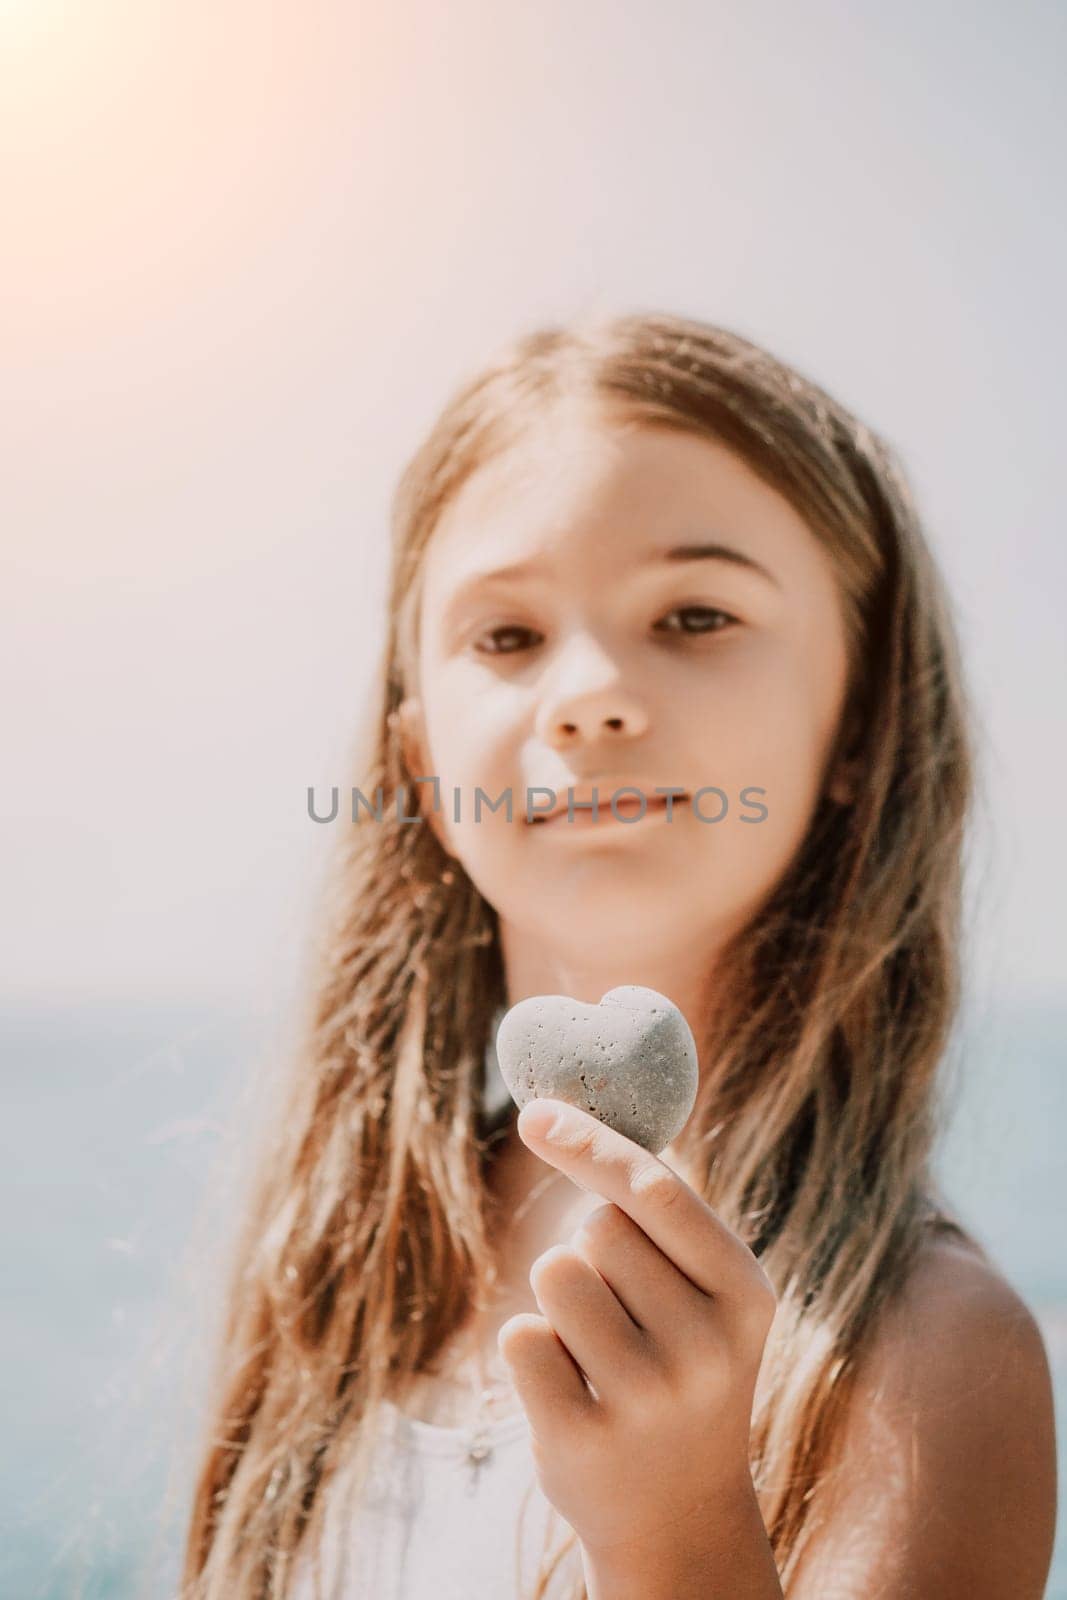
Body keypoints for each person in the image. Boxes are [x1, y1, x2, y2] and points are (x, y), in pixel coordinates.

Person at [179, 312, 1057, 1599]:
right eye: (507, 638)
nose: (587, 692)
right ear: (420, 760)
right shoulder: (341, 1267)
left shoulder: (927, 1355)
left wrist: (674, 1530)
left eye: (693, 615)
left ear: (860, 719)